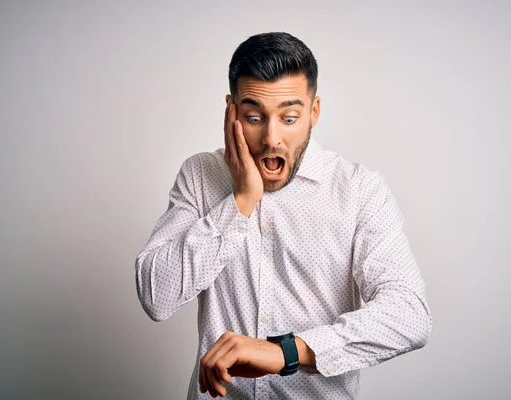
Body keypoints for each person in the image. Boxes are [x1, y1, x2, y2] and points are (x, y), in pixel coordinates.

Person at [135, 31, 432, 400]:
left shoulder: (359, 190)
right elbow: (155, 297)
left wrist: (286, 352)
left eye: (289, 118)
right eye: (254, 116)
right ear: (232, 111)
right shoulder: (201, 175)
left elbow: (410, 315)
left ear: (314, 112)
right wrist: (241, 200)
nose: (272, 138)